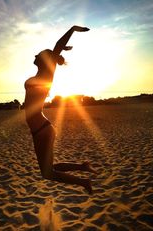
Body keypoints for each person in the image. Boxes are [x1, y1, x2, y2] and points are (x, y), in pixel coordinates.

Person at [24, 25, 96, 194]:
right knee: (48, 168)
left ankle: (84, 182)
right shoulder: (39, 75)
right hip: (39, 129)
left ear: (44, 60)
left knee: (48, 173)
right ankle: (82, 167)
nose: (35, 55)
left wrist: (72, 30)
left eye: (38, 54)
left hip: (42, 129)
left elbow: (56, 46)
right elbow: (55, 50)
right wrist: (58, 50)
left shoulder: (46, 75)